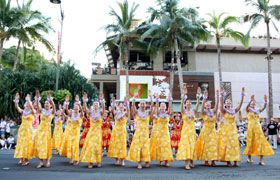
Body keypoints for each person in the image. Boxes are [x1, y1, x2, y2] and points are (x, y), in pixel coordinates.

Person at [244, 94, 274, 165]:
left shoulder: (257, 110)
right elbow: (246, 107)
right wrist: (250, 100)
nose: (253, 104)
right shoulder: (248, 110)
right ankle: (249, 158)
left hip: (258, 128)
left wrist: (265, 101)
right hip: (251, 128)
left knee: (261, 142)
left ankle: (261, 160)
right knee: (250, 142)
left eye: (254, 103)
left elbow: (263, 108)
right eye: (252, 103)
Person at [217, 87, 245, 167]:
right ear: (225, 104)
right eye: (227, 102)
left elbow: (240, 105)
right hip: (226, 130)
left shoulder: (234, 110)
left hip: (233, 130)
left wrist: (242, 95)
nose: (228, 102)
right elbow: (221, 106)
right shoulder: (224, 111)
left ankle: (235, 160)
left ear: (231, 103)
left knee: (235, 144)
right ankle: (228, 160)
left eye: (229, 102)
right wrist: (222, 96)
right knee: (228, 144)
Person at [127, 89, 154, 169]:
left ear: (146, 105)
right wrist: (134, 98)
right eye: (141, 103)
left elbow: (152, 107)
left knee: (145, 146)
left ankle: (146, 161)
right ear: (139, 105)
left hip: (145, 132)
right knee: (139, 146)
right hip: (139, 132)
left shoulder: (148, 112)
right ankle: (139, 162)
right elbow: (132, 107)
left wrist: (151, 97)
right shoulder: (137, 112)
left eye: (144, 104)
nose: (142, 105)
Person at [176, 86, 200, 170]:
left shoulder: (194, 112)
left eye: (190, 103)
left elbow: (197, 106)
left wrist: (198, 97)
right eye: (187, 103)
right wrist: (183, 97)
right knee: (186, 146)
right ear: (186, 104)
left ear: (191, 105)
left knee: (192, 145)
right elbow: (181, 106)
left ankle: (191, 161)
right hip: (185, 131)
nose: (188, 104)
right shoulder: (183, 112)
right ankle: (186, 163)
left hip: (192, 131)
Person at [194, 89, 219, 166]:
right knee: (206, 145)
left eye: (209, 105)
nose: (208, 106)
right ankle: (206, 160)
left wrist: (218, 97)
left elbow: (217, 106)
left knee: (213, 145)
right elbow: (201, 109)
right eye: (206, 105)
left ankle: (213, 160)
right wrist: (204, 98)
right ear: (205, 106)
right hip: (206, 130)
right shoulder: (204, 112)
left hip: (212, 130)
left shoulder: (213, 112)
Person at [80, 92, 105, 168]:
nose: (95, 106)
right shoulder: (90, 113)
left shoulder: (101, 113)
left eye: (97, 104)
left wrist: (102, 100)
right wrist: (84, 100)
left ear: (99, 105)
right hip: (91, 132)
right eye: (94, 104)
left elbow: (103, 108)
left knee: (97, 146)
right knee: (90, 145)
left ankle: (98, 161)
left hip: (98, 132)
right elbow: (85, 108)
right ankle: (90, 161)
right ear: (93, 106)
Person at [33, 90, 56, 168]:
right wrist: (37, 98)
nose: (46, 104)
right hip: (40, 131)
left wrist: (50, 99)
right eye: (45, 103)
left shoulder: (52, 112)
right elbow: (38, 106)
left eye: (48, 103)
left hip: (47, 131)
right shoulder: (41, 111)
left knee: (47, 146)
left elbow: (54, 106)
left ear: (50, 105)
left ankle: (48, 160)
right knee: (39, 145)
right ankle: (41, 162)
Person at [151, 93, 174, 167]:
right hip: (159, 132)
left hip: (166, 132)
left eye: (164, 105)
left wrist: (170, 100)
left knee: (166, 145)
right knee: (160, 146)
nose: (163, 107)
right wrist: (157, 101)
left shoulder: (168, 114)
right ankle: (160, 160)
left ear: (166, 107)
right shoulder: (158, 113)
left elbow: (170, 108)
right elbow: (156, 108)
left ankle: (166, 160)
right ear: (160, 107)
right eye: (162, 105)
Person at [14, 93, 36, 166]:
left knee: (27, 144)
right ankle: (21, 158)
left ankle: (26, 159)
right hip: (22, 129)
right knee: (21, 143)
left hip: (28, 130)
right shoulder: (23, 112)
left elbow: (33, 109)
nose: (27, 106)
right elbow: (17, 107)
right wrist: (16, 100)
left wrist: (29, 101)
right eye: (26, 105)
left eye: (28, 105)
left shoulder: (32, 112)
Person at [107, 96, 130, 166]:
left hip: (122, 130)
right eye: (120, 106)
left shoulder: (125, 114)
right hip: (116, 130)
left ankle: (122, 160)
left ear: (124, 107)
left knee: (122, 144)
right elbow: (113, 110)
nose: (121, 107)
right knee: (116, 144)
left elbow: (128, 111)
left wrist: (126, 103)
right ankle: (116, 159)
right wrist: (113, 103)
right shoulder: (116, 114)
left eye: (122, 106)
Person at [64, 95, 84, 166]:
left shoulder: (80, 115)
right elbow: (66, 110)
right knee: (71, 145)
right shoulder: (71, 115)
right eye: (74, 109)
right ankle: (72, 158)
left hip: (77, 133)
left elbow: (82, 111)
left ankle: (76, 159)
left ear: (78, 109)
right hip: (71, 132)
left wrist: (78, 103)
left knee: (75, 145)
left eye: (77, 109)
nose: (75, 110)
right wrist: (66, 102)